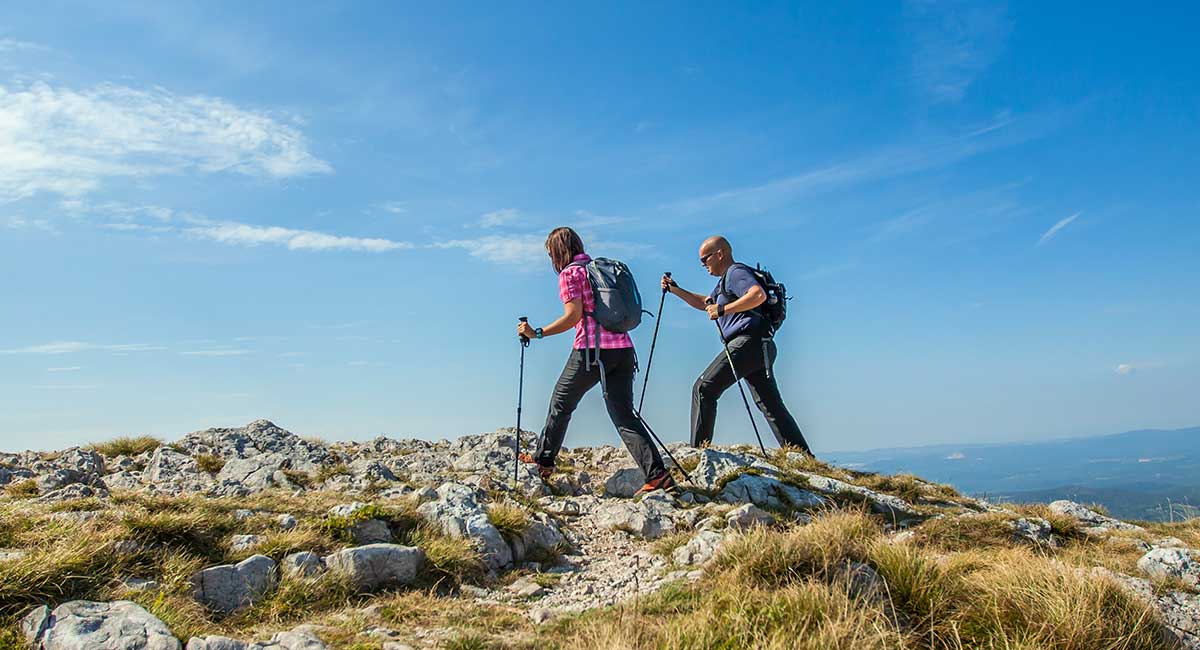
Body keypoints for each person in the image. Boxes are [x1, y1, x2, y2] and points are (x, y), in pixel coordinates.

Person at [517, 226, 675, 494]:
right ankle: (657, 475)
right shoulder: (598, 269)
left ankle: (544, 461)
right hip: (623, 350)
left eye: (549, 253)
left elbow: (573, 316)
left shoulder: (571, 274)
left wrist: (538, 332)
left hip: (591, 352)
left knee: (561, 402)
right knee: (624, 414)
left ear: (557, 252)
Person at [661, 235, 814, 454]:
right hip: (761, 345)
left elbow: (757, 295)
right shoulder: (724, 283)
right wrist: (676, 290)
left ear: (720, 254)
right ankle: (803, 455)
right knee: (770, 405)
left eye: (705, 259)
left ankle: (699, 451)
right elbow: (706, 303)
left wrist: (723, 310)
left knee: (704, 388)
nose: (703, 265)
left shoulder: (736, 273)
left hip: (748, 343)